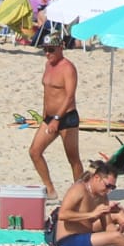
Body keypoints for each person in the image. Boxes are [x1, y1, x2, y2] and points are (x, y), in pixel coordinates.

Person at [30, 37, 84, 202]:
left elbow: (69, 96)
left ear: (61, 48)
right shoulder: (48, 65)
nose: (47, 53)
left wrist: (57, 119)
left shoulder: (68, 68)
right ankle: (50, 190)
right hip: (49, 118)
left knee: (73, 158)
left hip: (66, 118)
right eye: (45, 49)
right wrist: (45, 116)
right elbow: (48, 92)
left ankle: (81, 193)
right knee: (34, 152)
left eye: (51, 50)